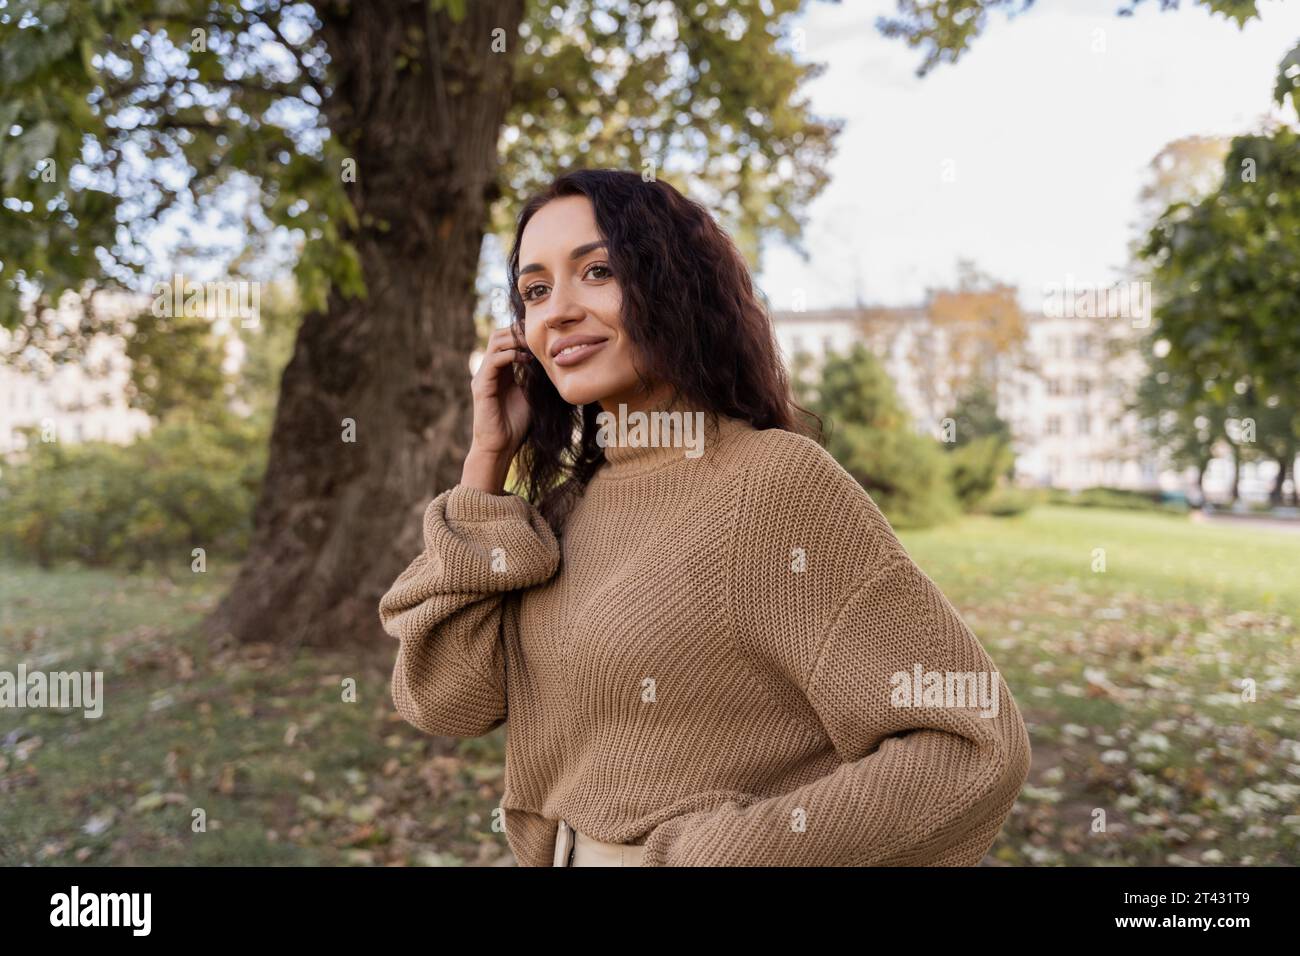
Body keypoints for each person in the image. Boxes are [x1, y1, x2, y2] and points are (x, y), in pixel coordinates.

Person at [379, 168, 1031, 867]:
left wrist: (724, 855)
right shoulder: (565, 508)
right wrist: (488, 458)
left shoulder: (774, 483)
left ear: (674, 284)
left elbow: (972, 746)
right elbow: (444, 700)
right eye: (535, 291)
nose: (557, 311)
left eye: (597, 271)